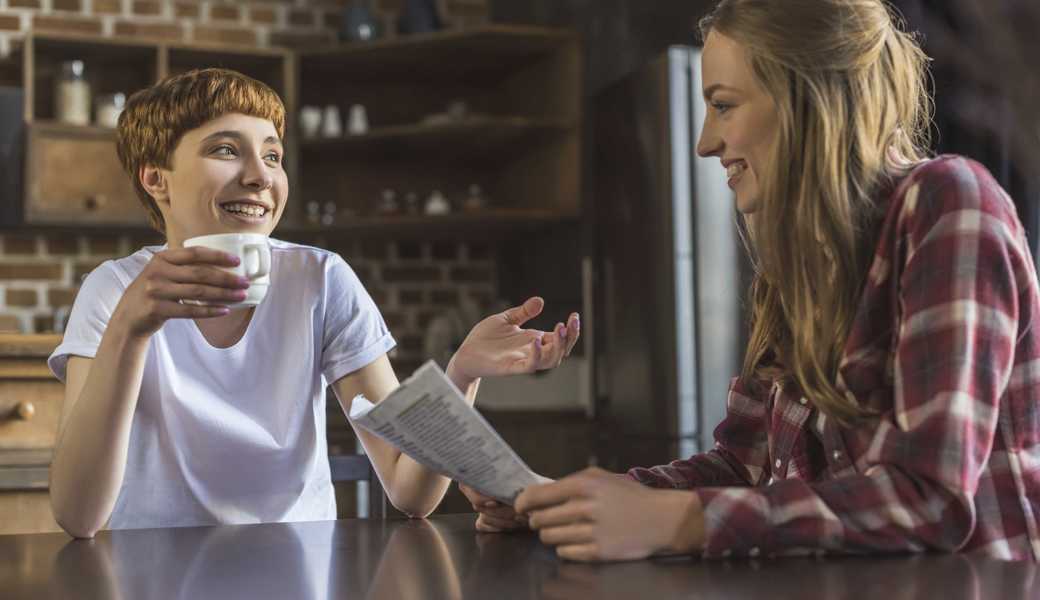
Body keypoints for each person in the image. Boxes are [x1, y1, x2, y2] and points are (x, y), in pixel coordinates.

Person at [462, 0, 1040, 562]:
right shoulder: (797, 268)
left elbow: (928, 499)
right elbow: (742, 466)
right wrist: (570, 500)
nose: (704, 143)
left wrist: (683, 522)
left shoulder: (950, 206)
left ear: (805, 96)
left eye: (723, 105)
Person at [47, 68, 580, 538]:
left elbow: (409, 491)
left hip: (301, 569)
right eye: (226, 150)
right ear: (155, 178)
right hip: (154, 572)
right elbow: (79, 516)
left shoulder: (320, 278)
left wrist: (460, 373)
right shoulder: (114, 290)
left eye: (273, 155)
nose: (261, 176)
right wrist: (131, 328)